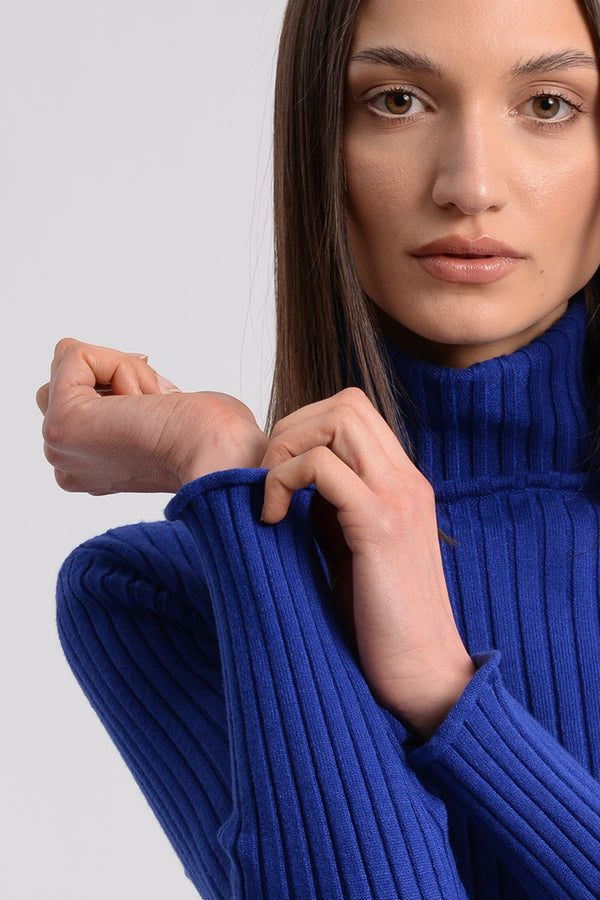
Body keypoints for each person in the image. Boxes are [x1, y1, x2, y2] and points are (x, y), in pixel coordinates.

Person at [37, 0, 600, 896]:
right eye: (398, 102)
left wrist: (447, 693)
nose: (470, 183)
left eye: (548, 105)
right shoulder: (167, 595)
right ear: (317, 147)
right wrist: (228, 471)